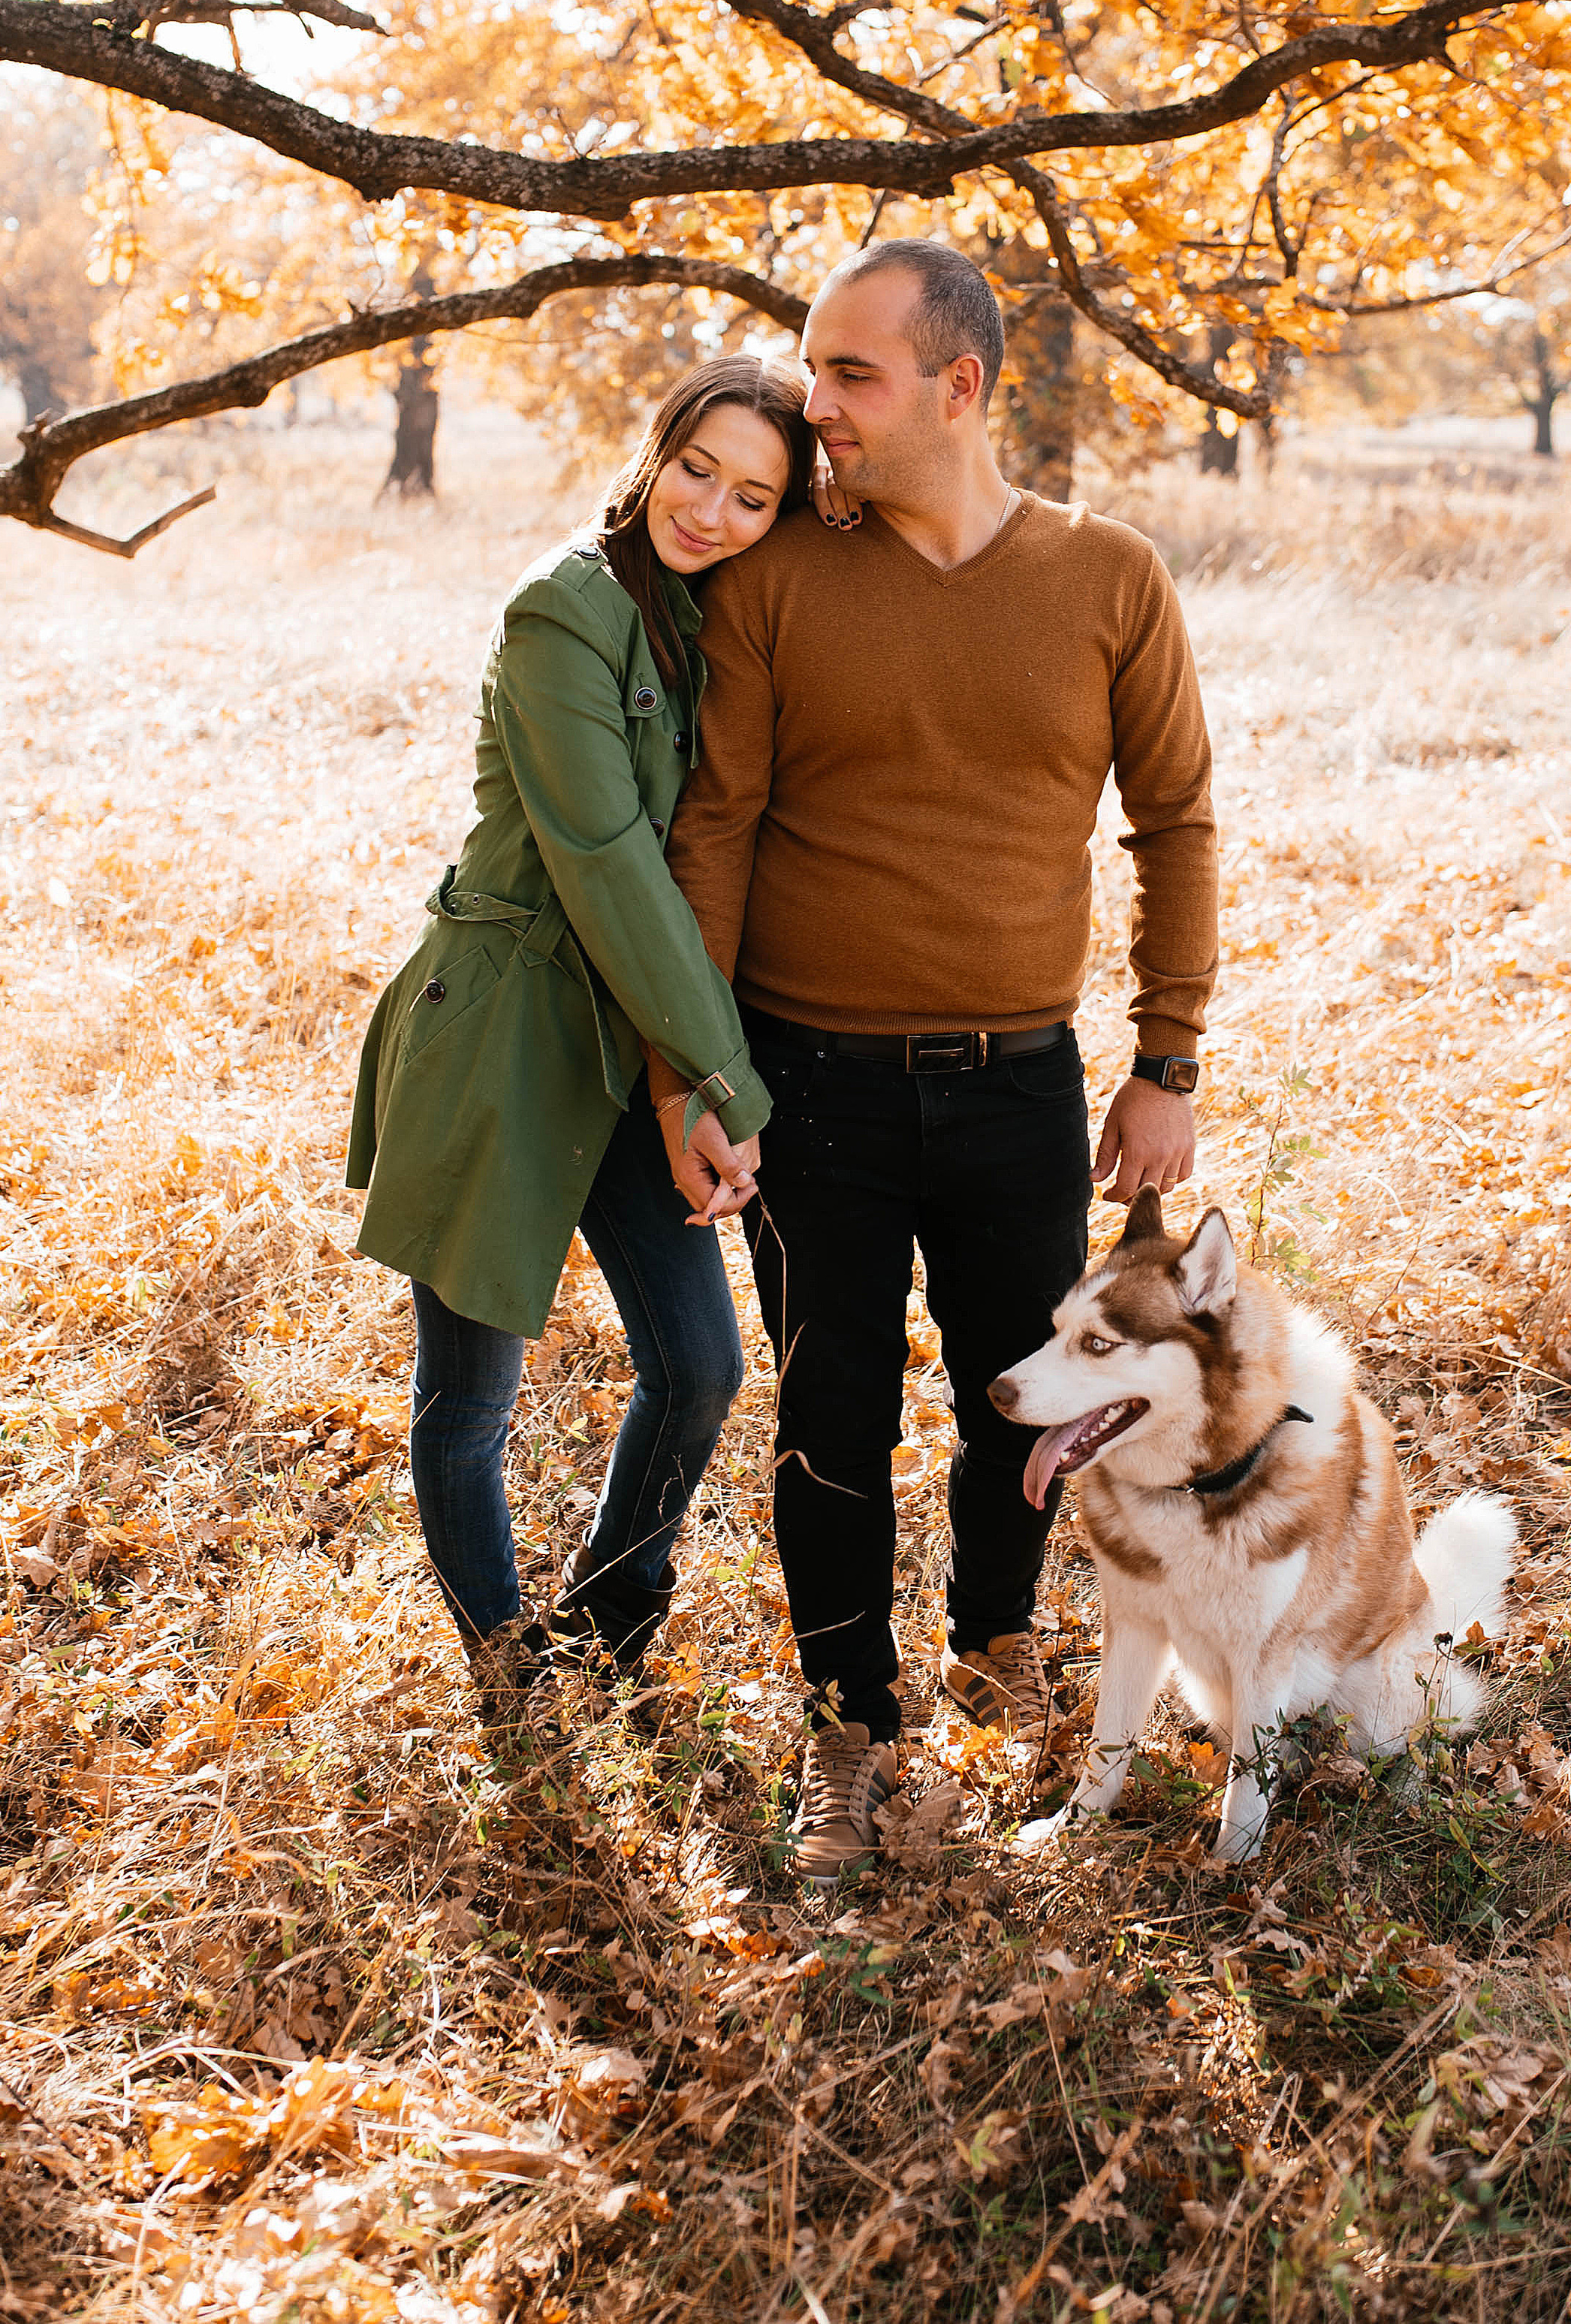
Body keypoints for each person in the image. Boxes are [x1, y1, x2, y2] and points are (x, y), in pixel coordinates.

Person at [648, 236, 1220, 1881]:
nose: (808, 403)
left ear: (956, 389)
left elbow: (1173, 819)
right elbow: (720, 831)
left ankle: (996, 1645)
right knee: (827, 1407)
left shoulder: (1108, 577)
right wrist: (696, 1073)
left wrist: (1162, 1058)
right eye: (811, 369)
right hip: (804, 1082)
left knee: (1018, 1401)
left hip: (1018, 1087)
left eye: (847, 374)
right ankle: (849, 1720)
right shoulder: (775, 578)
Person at [346, 355, 816, 1717]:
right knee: (474, 1392)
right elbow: (611, 864)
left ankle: (600, 1637)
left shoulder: (701, 614)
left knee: (702, 1363)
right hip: (505, 1028)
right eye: (697, 470)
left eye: (754, 497)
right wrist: (726, 1079)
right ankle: (504, 1664)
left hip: (629, 1038)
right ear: (656, 447)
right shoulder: (570, 606)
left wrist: (681, 1074)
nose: (714, 511)